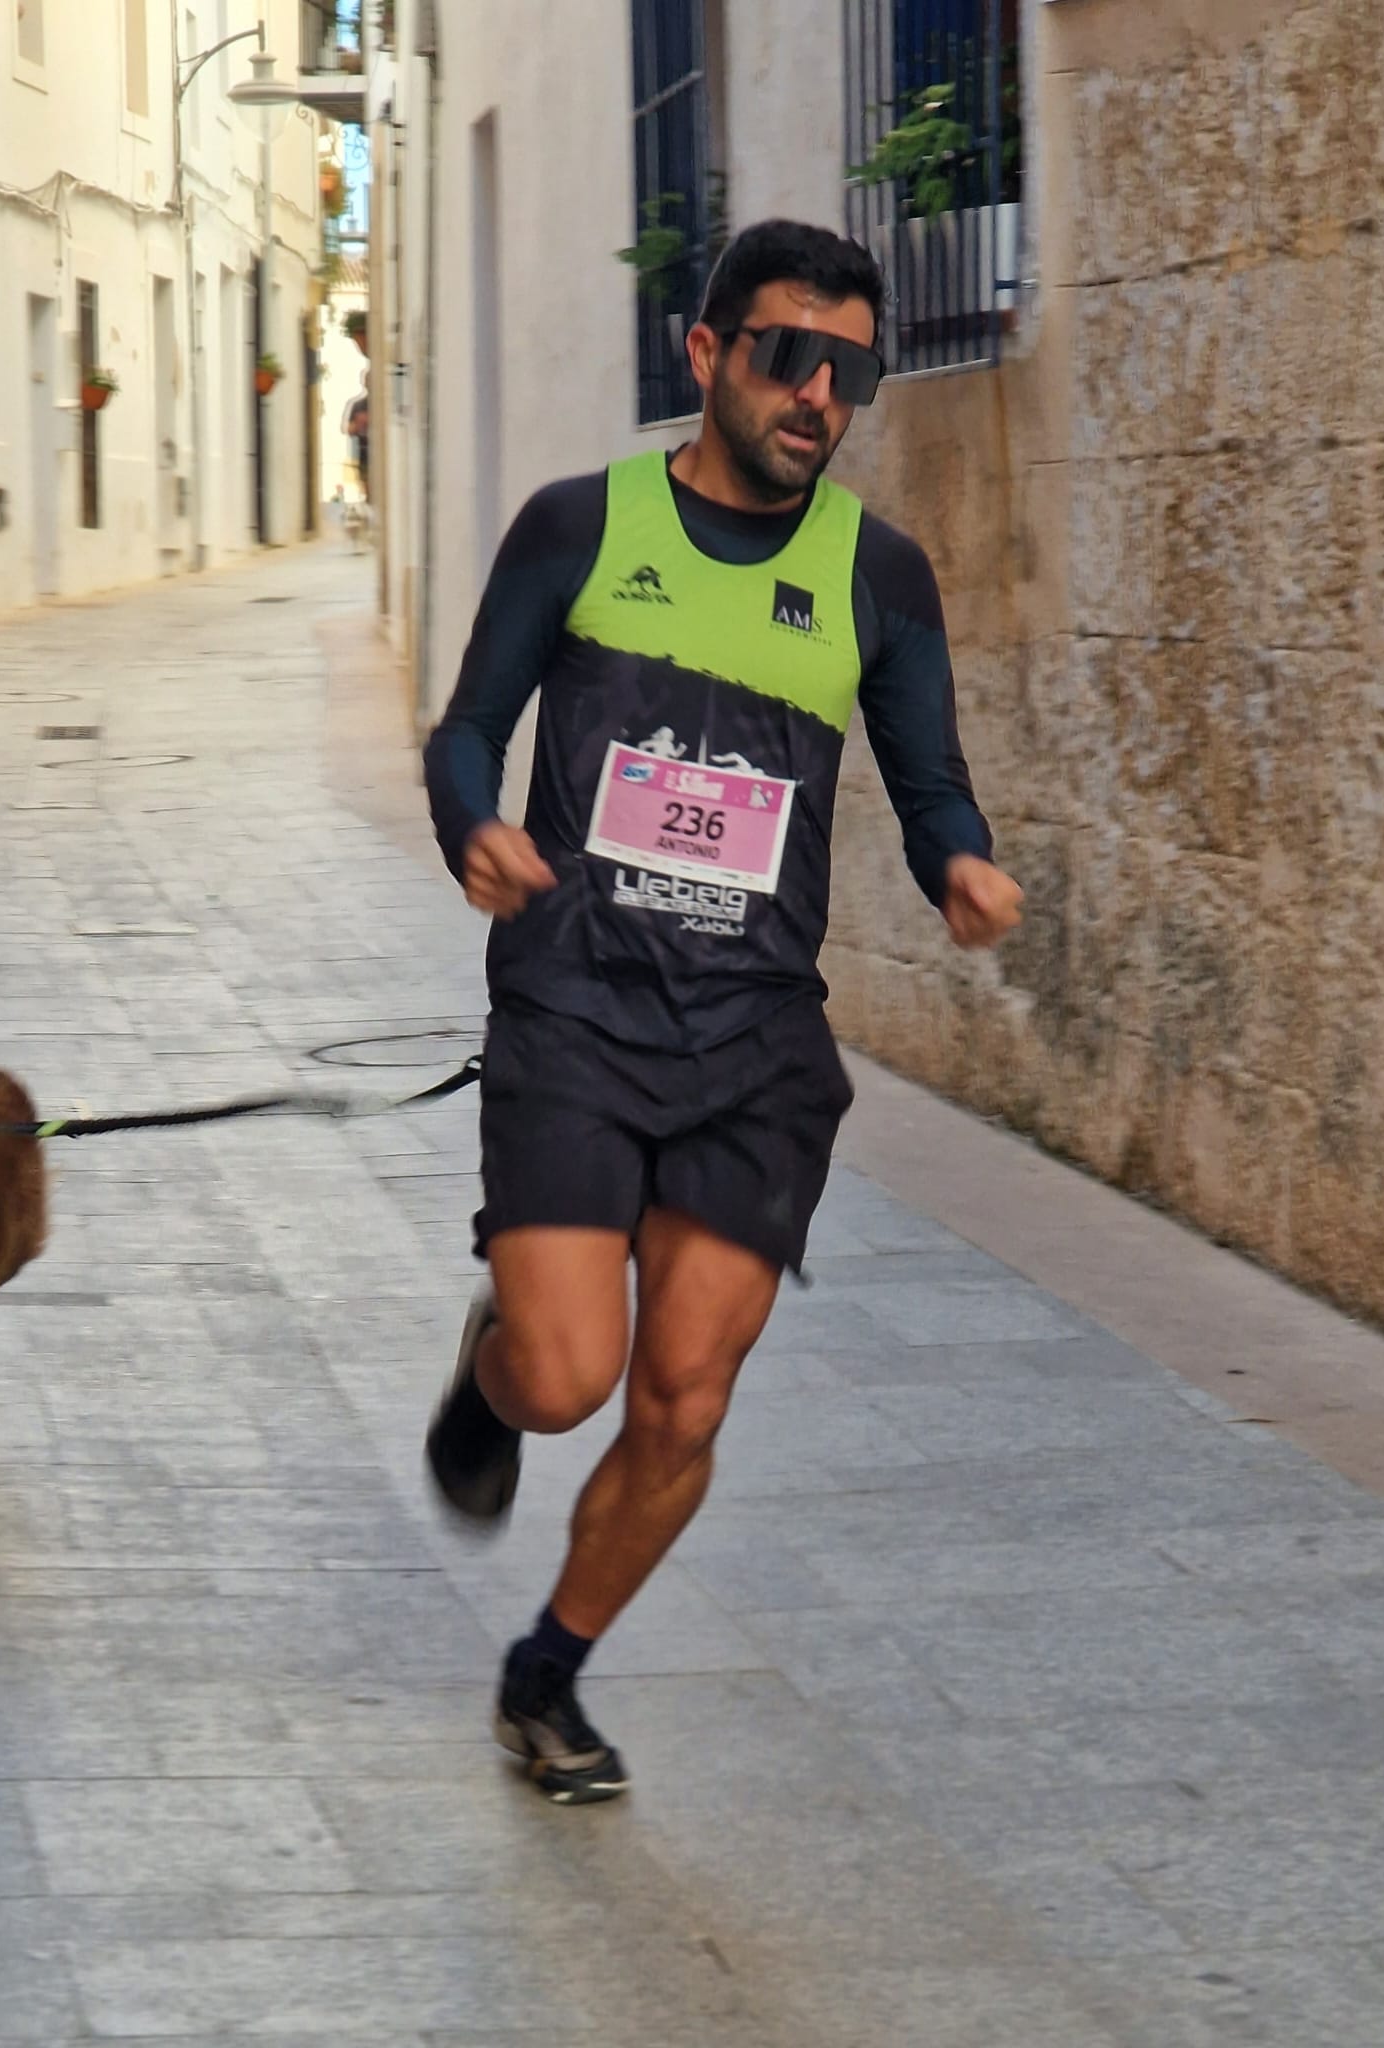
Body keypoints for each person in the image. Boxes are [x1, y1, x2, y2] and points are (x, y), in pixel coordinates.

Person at [420, 219, 1024, 1805]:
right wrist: (472, 824)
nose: (817, 394)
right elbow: (468, 730)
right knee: (566, 1380)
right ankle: (493, 1362)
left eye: (849, 371)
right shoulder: (579, 527)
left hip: (755, 1038)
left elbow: (930, 777)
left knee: (683, 1391)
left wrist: (963, 862)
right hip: (573, 1002)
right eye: (783, 355)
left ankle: (547, 1670)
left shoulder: (877, 578)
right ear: (706, 357)